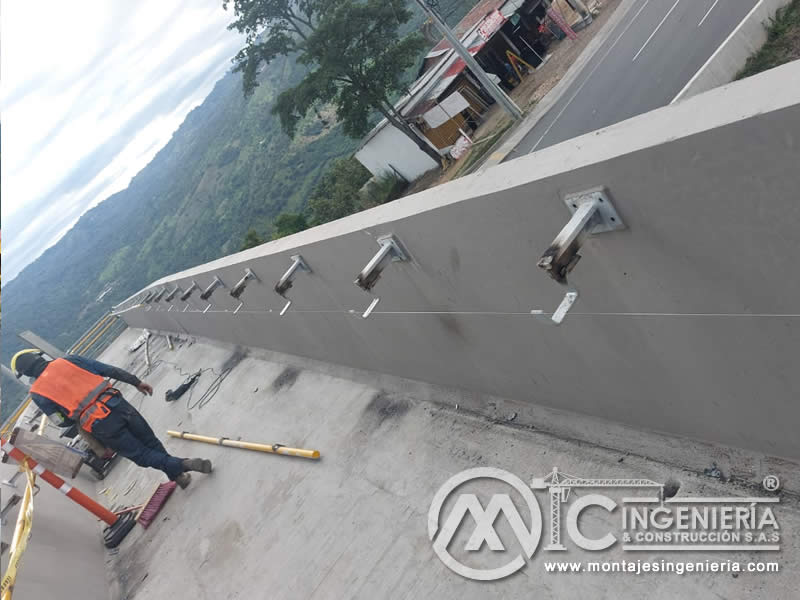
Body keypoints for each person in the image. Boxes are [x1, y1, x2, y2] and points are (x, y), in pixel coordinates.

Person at [10, 349, 211, 488]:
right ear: (39, 357)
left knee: (141, 455)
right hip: (118, 404)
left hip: (100, 424)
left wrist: (75, 412)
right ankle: (178, 477)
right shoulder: (68, 360)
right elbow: (107, 369)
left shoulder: (37, 393)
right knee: (150, 442)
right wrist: (136, 382)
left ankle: (182, 464)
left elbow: (61, 421)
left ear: (25, 373)